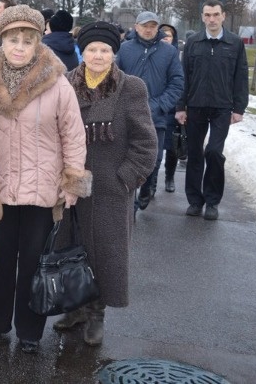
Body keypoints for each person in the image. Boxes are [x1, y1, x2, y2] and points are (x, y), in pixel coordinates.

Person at [0, 5, 89, 354]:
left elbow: (73, 133)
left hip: (42, 191)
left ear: (39, 42)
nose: (19, 47)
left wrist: (72, 180)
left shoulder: (57, 83)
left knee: (34, 265)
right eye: (13, 39)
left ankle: (29, 332)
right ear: (2, 40)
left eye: (27, 40)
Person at [55, 21, 157, 346]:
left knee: (103, 254)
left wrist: (125, 178)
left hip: (110, 190)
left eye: (105, 50)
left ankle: (96, 314)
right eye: (91, 49)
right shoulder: (65, 84)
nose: (98, 56)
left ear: (114, 53)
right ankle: (74, 308)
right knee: (71, 249)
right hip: (71, 185)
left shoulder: (131, 87)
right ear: (81, 52)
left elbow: (145, 141)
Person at [175, 0, 248, 221]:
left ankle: (212, 201)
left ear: (223, 16)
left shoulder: (234, 43)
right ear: (202, 17)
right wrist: (181, 106)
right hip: (196, 105)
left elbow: (241, 77)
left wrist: (239, 108)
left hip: (222, 107)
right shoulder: (194, 43)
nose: (212, 19)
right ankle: (195, 201)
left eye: (216, 14)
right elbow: (183, 76)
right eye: (207, 15)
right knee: (195, 153)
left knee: (214, 152)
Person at [116, 11, 184, 211]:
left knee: (153, 160)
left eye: (152, 26)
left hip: (157, 117)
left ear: (157, 28)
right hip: (127, 115)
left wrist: (160, 104)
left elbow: (177, 83)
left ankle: (146, 188)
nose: (148, 29)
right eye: (145, 25)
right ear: (136, 26)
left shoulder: (169, 52)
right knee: (125, 157)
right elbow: (115, 79)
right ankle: (130, 201)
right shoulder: (124, 49)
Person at [159, 23, 183, 192]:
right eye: (163, 34)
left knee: (172, 146)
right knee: (154, 147)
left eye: (169, 35)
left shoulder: (179, 55)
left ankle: (169, 177)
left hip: (174, 107)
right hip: (157, 106)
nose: (166, 37)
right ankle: (150, 184)